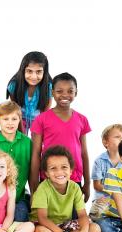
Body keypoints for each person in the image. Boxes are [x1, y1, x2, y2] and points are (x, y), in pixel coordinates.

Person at [31, 146, 114, 232]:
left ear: (71, 171)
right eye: (53, 168)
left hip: (64, 224)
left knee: (96, 229)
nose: (59, 172)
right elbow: (42, 219)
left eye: (64, 167)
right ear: (46, 173)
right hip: (47, 225)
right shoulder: (43, 188)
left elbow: (82, 215)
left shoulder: (75, 187)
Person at [30, 72, 91, 202]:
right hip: (48, 177)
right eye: (59, 91)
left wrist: (87, 183)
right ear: (52, 92)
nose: (65, 95)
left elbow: (84, 153)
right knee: (47, 217)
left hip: (74, 177)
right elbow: (36, 153)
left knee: (73, 218)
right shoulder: (41, 119)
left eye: (70, 91)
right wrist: (34, 186)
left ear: (76, 93)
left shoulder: (82, 119)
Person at [0, 101, 33, 222]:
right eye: (6, 119)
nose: (10, 123)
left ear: (19, 120)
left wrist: (34, 195)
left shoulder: (27, 142)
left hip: (18, 197)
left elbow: (33, 172)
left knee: (20, 218)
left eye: (14, 119)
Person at [6, 51, 52, 135]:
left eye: (38, 72)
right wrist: (20, 128)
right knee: (21, 142)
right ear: (23, 70)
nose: (34, 77)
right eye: (29, 71)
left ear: (44, 72)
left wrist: (42, 127)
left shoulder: (48, 86)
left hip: (39, 119)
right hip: (20, 118)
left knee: (38, 143)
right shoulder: (14, 85)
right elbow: (15, 108)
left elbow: (46, 111)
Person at [89, 124, 122, 220]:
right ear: (106, 142)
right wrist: (114, 192)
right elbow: (97, 185)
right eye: (117, 137)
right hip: (103, 199)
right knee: (97, 215)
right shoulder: (99, 161)